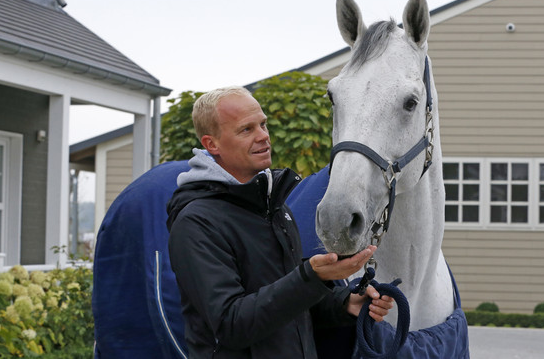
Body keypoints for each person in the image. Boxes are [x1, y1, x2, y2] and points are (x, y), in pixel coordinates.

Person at [166, 86, 393, 358]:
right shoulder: (196, 223)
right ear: (211, 144)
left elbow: (291, 307)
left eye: (262, 124)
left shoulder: (274, 208)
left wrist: (345, 303)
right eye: (246, 130)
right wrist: (312, 276)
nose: (263, 136)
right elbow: (230, 325)